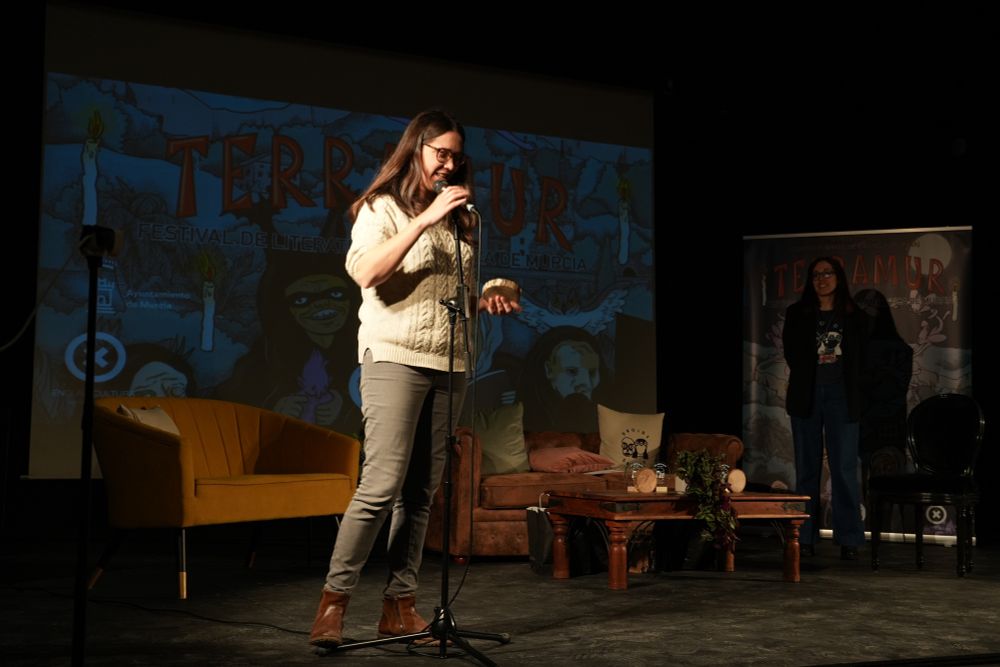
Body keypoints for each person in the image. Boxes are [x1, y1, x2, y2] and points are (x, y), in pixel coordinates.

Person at [308, 109, 520, 648]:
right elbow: (366, 274)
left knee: (421, 493)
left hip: (450, 363)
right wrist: (423, 221)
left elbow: (441, 296)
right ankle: (333, 605)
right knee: (380, 485)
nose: (448, 164)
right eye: (440, 153)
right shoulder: (381, 207)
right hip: (395, 358)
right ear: (416, 151)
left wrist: (483, 299)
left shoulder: (462, 220)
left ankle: (400, 607)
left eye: (455, 155)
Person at [782, 257, 868, 560]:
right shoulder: (797, 313)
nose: (822, 279)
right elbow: (791, 353)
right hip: (807, 395)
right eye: (816, 275)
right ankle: (803, 536)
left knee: (844, 468)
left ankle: (849, 537)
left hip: (841, 396)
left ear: (839, 278)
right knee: (807, 468)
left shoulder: (854, 316)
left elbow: (862, 360)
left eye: (828, 273)